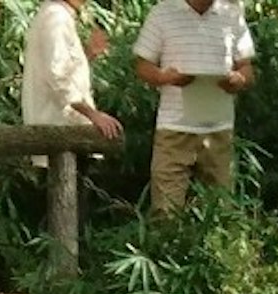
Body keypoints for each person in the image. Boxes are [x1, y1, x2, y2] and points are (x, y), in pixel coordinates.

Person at [132, 0, 255, 211]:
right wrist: (164, 77)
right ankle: (166, 243)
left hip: (219, 128)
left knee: (220, 208)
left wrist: (238, 80)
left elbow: (247, 69)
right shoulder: (163, 12)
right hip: (174, 127)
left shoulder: (231, 14)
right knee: (165, 208)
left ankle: (217, 244)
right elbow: (143, 66)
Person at [21, 0, 126, 143]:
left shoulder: (58, 15)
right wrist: (93, 115)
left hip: (64, 129)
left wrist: (89, 53)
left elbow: (63, 69)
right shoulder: (56, 18)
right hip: (57, 129)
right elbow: (58, 76)